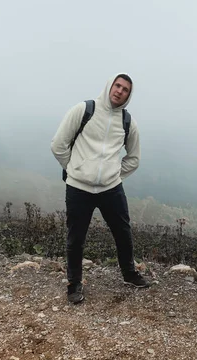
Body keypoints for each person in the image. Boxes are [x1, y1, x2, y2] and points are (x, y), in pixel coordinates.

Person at [51, 73, 150, 304]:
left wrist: (114, 174)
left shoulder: (127, 122)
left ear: (129, 95)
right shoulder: (84, 110)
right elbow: (58, 145)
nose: (119, 91)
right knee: (76, 238)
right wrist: (76, 169)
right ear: (109, 86)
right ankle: (74, 284)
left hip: (110, 188)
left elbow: (134, 158)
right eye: (117, 85)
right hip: (78, 188)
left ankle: (129, 274)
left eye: (125, 89)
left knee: (123, 233)